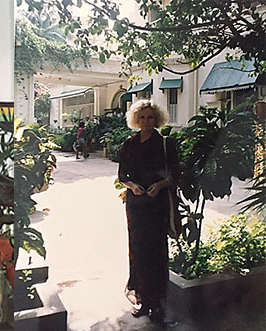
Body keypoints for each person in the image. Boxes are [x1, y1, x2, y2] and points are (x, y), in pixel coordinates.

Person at [118, 99, 179, 323]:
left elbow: (175, 174)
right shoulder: (129, 144)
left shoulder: (165, 144)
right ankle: (142, 298)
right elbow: (122, 176)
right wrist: (133, 186)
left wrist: (160, 186)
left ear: (157, 119)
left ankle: (157, 303)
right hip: (136, 207)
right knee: (138, 251)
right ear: (136, 119)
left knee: (157, 252)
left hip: (157, 206)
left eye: (150, 117)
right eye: (142, 117)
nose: (146, 121)